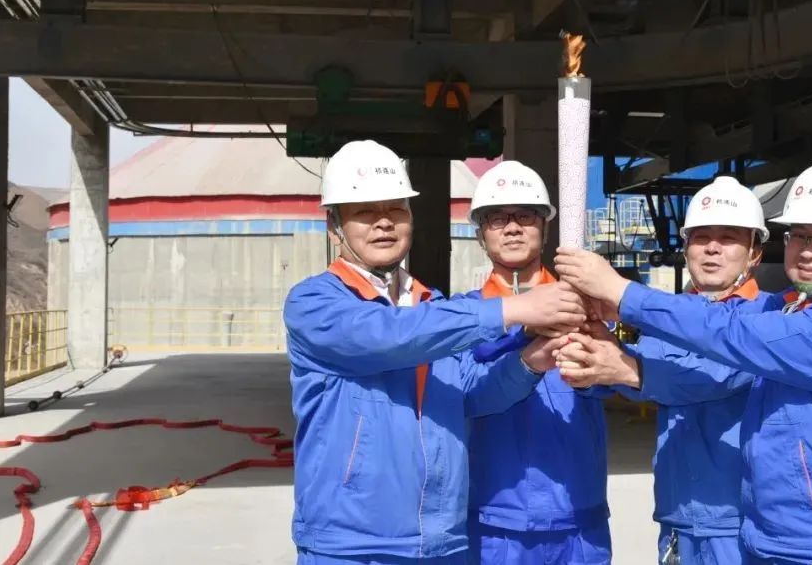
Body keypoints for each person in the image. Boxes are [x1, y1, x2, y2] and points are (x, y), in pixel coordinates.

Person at [555, 158, 812, 565]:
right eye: (800, 235)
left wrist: (623, 301)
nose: (810, 250)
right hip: (761, 537)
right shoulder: (783, 311)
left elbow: (727, 344)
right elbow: (694, 335)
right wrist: (595, 353)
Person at [284, 141, 587, 564]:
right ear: (334, 226)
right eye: (365, 212)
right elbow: (389, 336)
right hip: (353, 544)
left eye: (396, 209)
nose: (384, 222)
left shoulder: (431, 303)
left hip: (442, 542)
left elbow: (472, 393)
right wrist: (513, 309)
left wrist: (531, 361)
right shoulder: (314, 303)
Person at [556, 177, 770, 565]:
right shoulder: (666, 317)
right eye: (701, 237)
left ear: (755, 252)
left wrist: (620, 367)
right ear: (686, 248)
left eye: (728, 238)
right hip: (677, 520)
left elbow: (713, 377)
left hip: (739, 525)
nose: (712, 248)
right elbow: (641, 365)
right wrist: (592, 352)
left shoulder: (768, 317)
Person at [455, 160, 611, 565]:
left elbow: (616, 383)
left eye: (525, 216)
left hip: (579, 521)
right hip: (494, 524)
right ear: (481, 233)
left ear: (544, 227)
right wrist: (525, 338)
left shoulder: (584, 306)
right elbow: (468, 396)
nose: (512, 227)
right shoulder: (462, 318)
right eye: (497, 218)